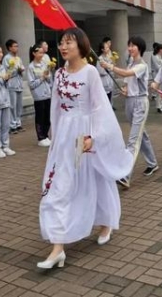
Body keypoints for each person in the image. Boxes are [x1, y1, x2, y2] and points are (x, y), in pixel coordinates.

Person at [37, 28, 132, 270]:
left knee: (96, 178)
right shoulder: (58, 74)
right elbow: (56, 108)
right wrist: (54, 135)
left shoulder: (90, 72)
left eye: (69, 42)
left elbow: (101, 108)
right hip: (64, 138)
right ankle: (58, 247)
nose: (63, 46)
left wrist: (95, 137)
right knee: (60, 186)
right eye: (61, 42)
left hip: (85, 134)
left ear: (81, 45)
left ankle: (107, 221)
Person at [102, 36, 158, 187]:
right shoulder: (131, 62)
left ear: (139, 48)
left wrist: (110, 66)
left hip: (140, 103)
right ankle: (152, 162)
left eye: (133, 46)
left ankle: (125, 175)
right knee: (141, 134)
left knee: (133, 140)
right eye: (129, 45)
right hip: (130, 102)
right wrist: (125, 90)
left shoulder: (142, 65)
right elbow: (127, 82)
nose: (130, 48)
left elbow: (126, 74)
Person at [28, 44, 53, 147]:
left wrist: (47, 76)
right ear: (34, 53)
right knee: (40, 117)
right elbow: (31, 84)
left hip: (47, 94)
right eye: (39, 52)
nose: (42, 54)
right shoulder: (31, 67)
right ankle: (40, 137)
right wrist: (42, 78)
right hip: (38, 96)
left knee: (47, 116)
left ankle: (46, 135)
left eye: (42, 52)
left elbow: (49, 79)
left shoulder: (44, 64)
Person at [3, 39, 25, 134]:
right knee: (12, 105)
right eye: (14, 46)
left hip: (19, 83)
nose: (16, 48)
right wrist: (14, 70)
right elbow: (5, 73)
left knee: (19, 105)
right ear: (9, 48)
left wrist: (20, 70)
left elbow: (21, 69)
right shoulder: (6, 58)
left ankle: (18, 123)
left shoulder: (18, 58)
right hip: (12, 84)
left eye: (17, 46)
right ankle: (12, 125)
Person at [97, 37, 116, 107]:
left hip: (109, 83)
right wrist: (110, 68)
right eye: (106, 48)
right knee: (105, 104)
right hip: (104, 84)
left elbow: (113, 66)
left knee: (110, 101)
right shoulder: (100, 59)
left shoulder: (109, 57)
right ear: (102, 50)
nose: (108, 49)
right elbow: (101, 71)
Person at [150, 43, 162, 114]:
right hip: (157, 76)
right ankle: (158, 107)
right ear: (160, 49)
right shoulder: (154, 56)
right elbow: (158, 67)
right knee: (158, 92)